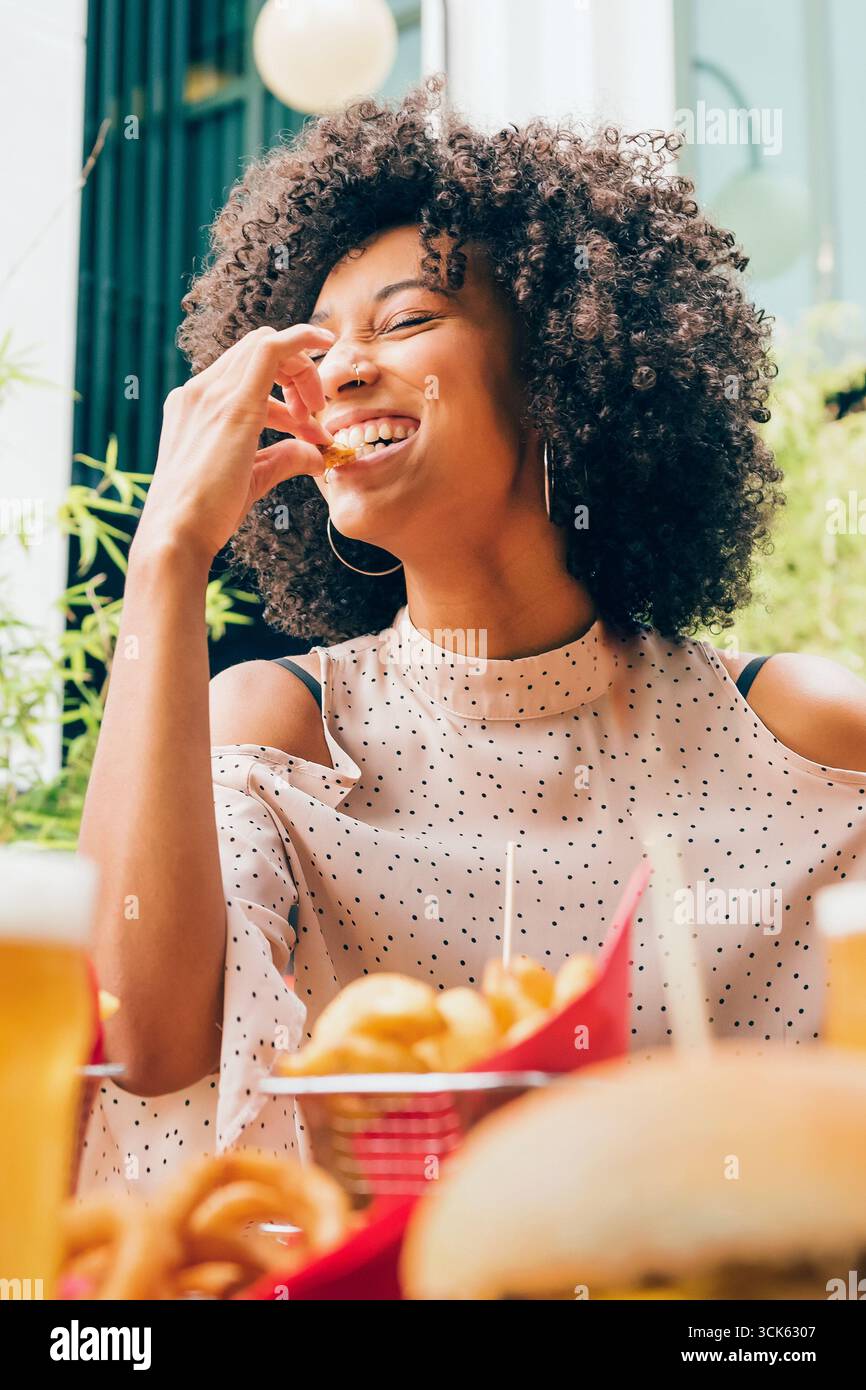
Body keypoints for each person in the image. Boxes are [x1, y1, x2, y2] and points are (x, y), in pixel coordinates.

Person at [78, 79, 866, 1194]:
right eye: (318, 350)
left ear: (557, 368)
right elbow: (144, 1043)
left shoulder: (798, 736)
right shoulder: (285, 728)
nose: (344, 369)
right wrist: (166, 557)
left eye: (405, 322)